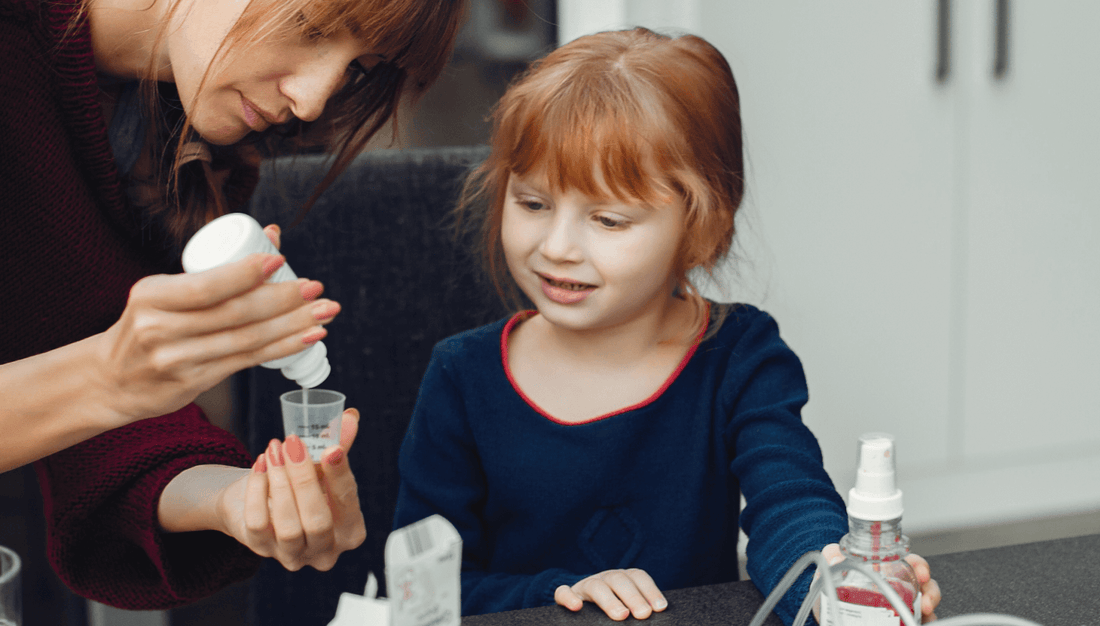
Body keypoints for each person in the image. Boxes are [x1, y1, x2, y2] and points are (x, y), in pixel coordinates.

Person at [393, 27, 942, 625]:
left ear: (700, 229)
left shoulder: (741, 356)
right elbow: (427, 590)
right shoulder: (461, 376)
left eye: (607, 219)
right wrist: (562, 590)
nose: (556, 246)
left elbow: (790, 502)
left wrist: (839, 583)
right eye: (531, 204)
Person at [0, 0, 465, 610]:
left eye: (357, 68)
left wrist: (240, 502)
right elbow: (93, 391)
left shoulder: (187, 137)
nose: (312, 99)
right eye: (312, 27)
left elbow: (106, 441)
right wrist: (107, 377)